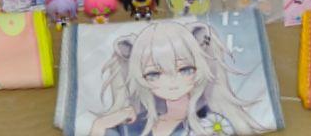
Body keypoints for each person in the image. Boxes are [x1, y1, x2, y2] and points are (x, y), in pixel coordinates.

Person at [87, 19, 266, 135]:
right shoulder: (133, 124)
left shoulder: (213, 122)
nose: (172, 82)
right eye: (154, 74)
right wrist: (100, 125)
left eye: (185, 69)